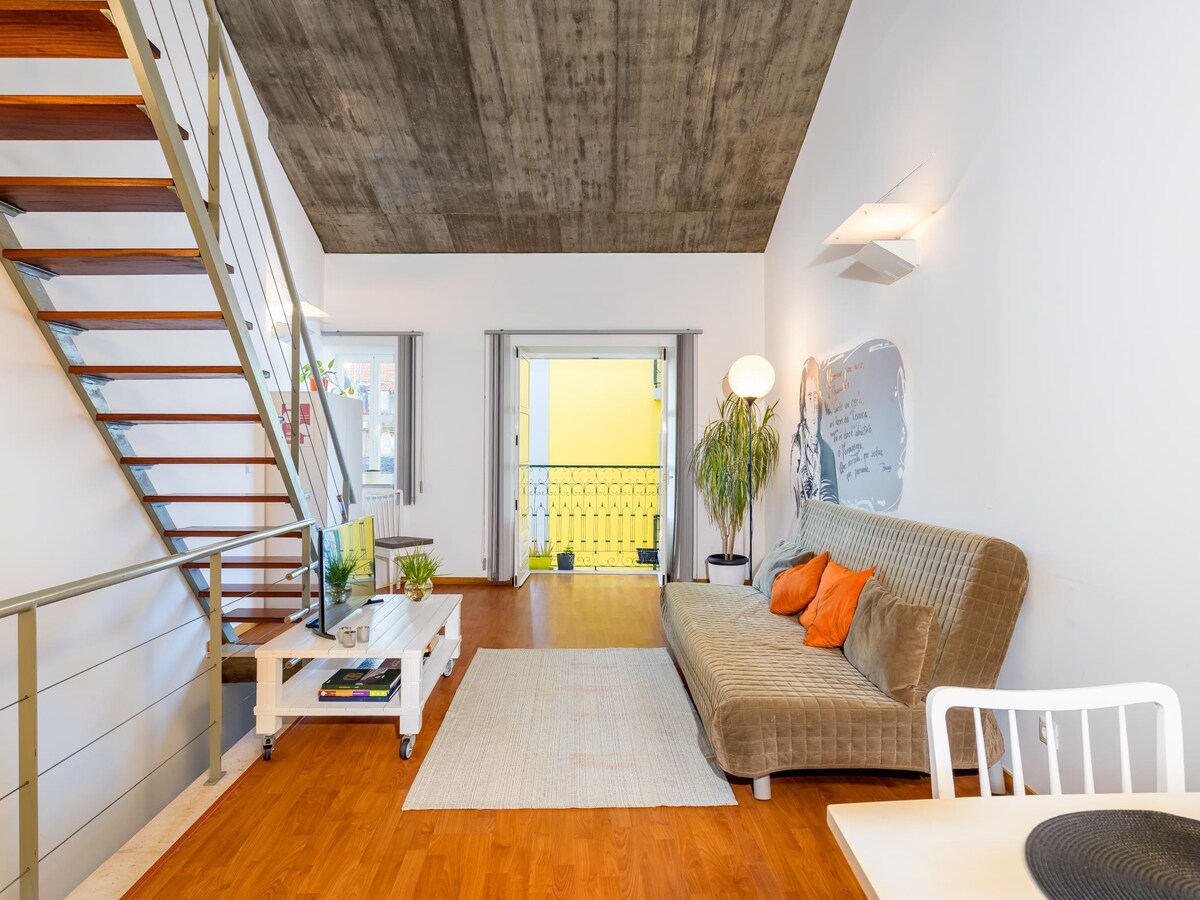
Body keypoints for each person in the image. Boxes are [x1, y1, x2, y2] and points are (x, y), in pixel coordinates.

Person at [791, 357, 839, 512]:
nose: (813, 403)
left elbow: (832, 505)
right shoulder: (796, 449)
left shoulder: (827, 453)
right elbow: (797, 504)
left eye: (816, 397)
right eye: (809, 397)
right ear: (804, 409)